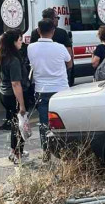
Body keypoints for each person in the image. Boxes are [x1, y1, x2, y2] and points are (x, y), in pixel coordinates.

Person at [28, 19, 72, 158]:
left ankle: (46, 151)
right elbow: (69, 63)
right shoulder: (60, 47)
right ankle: (62, 150)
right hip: (61, 89)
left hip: (41, 89)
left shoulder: (31, 48)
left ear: (38, 31)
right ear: (53, 31)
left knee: (44, 123)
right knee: (63, 121)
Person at [0, 30, 32, 162]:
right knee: (19, 125)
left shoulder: (1, 56)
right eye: (20, 39)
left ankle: (14, 151)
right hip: (14, 95)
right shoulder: (14, 60)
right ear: (13, 42)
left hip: (4, 94)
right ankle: (18, 154)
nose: (21, 42)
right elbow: (16, 83)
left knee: (15, 124)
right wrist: (21, 104)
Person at [28, 8, 73, 87]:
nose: (58, 20)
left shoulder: (33, 36)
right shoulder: (62, 34)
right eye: (57, 18)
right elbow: (69, 59)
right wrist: (68, 70)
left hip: (41, 80)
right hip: (59, 79)